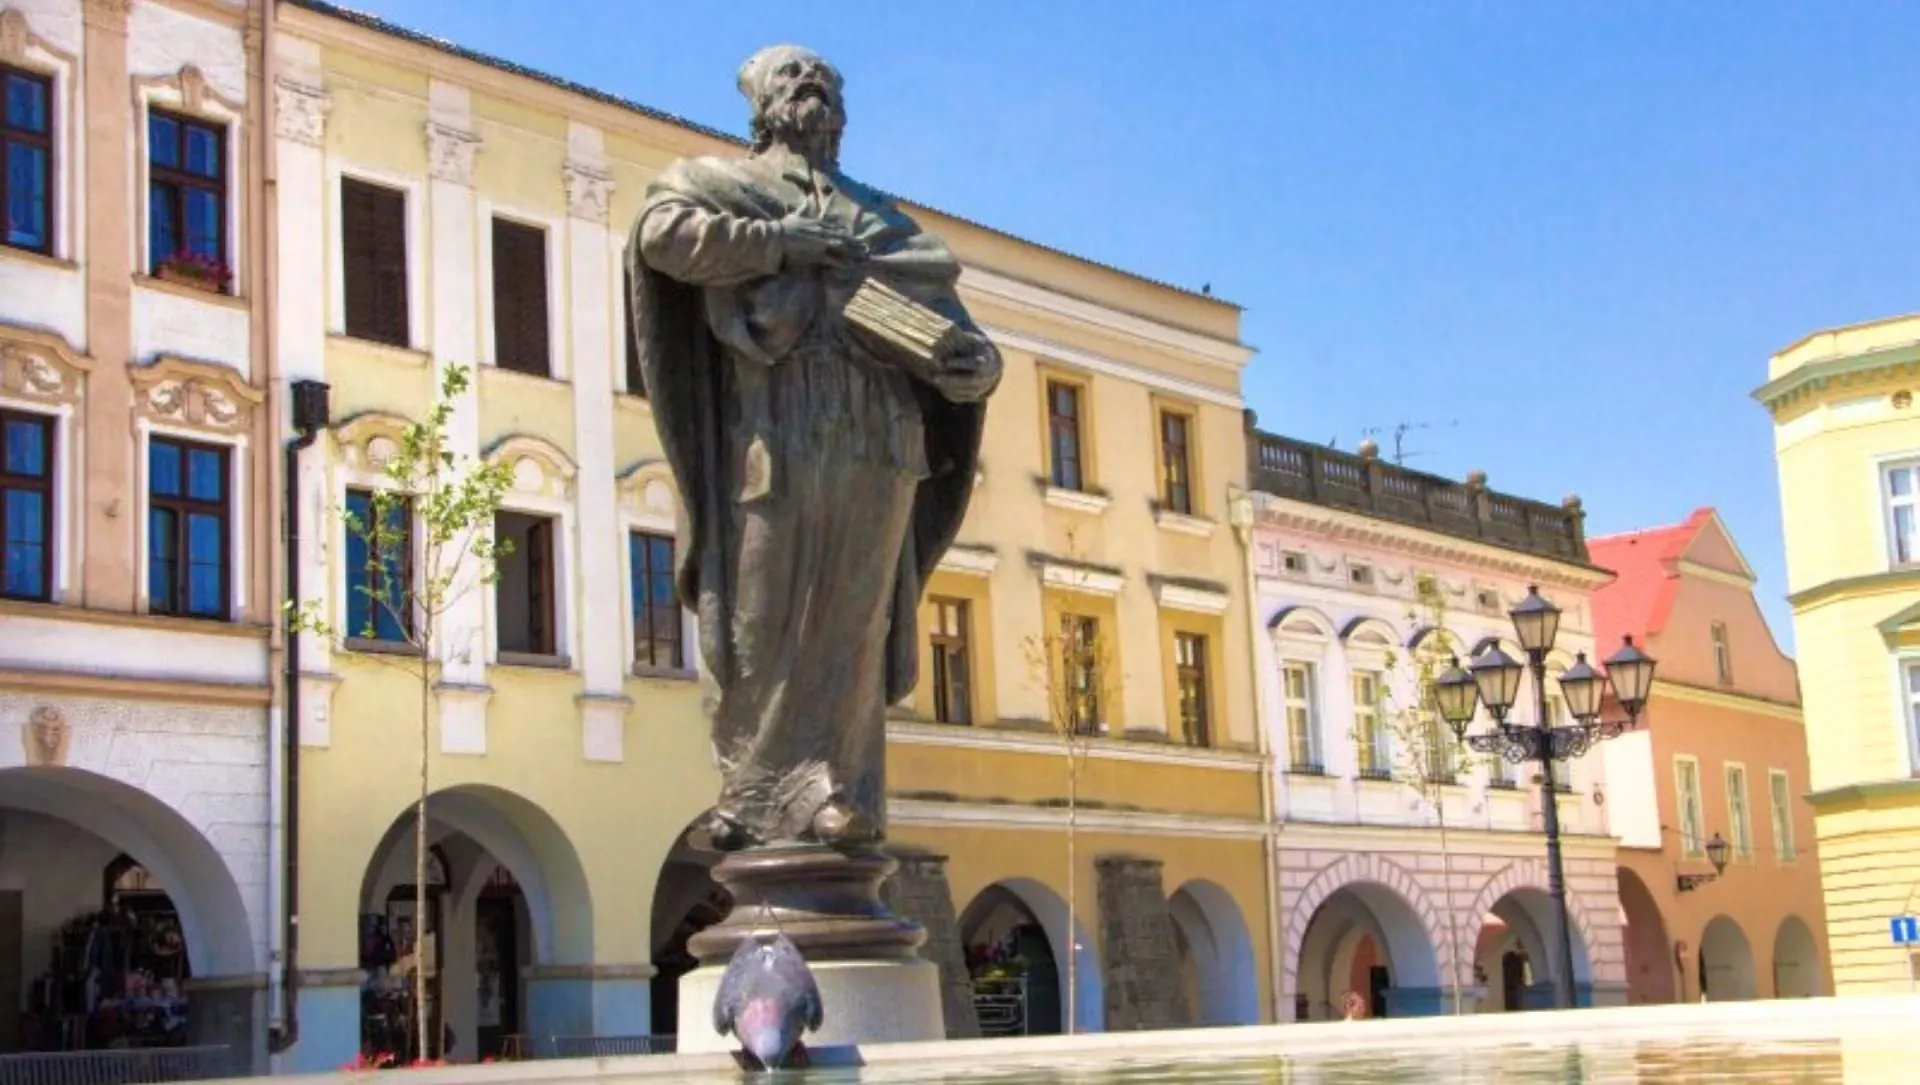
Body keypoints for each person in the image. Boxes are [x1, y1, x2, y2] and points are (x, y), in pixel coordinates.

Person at [631, 44, 1002, 852]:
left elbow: (956, 328)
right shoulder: (721, 183)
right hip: (774, 432)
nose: (811, 88)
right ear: (761, 107)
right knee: (765, 614)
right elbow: (662, 236)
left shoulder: (883, 221)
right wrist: (781, 243)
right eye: (792, 79)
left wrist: (976, 366)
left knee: (853, 621)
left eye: (825, 81)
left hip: (878, 439)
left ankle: (838, 788)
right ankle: (756, 793)